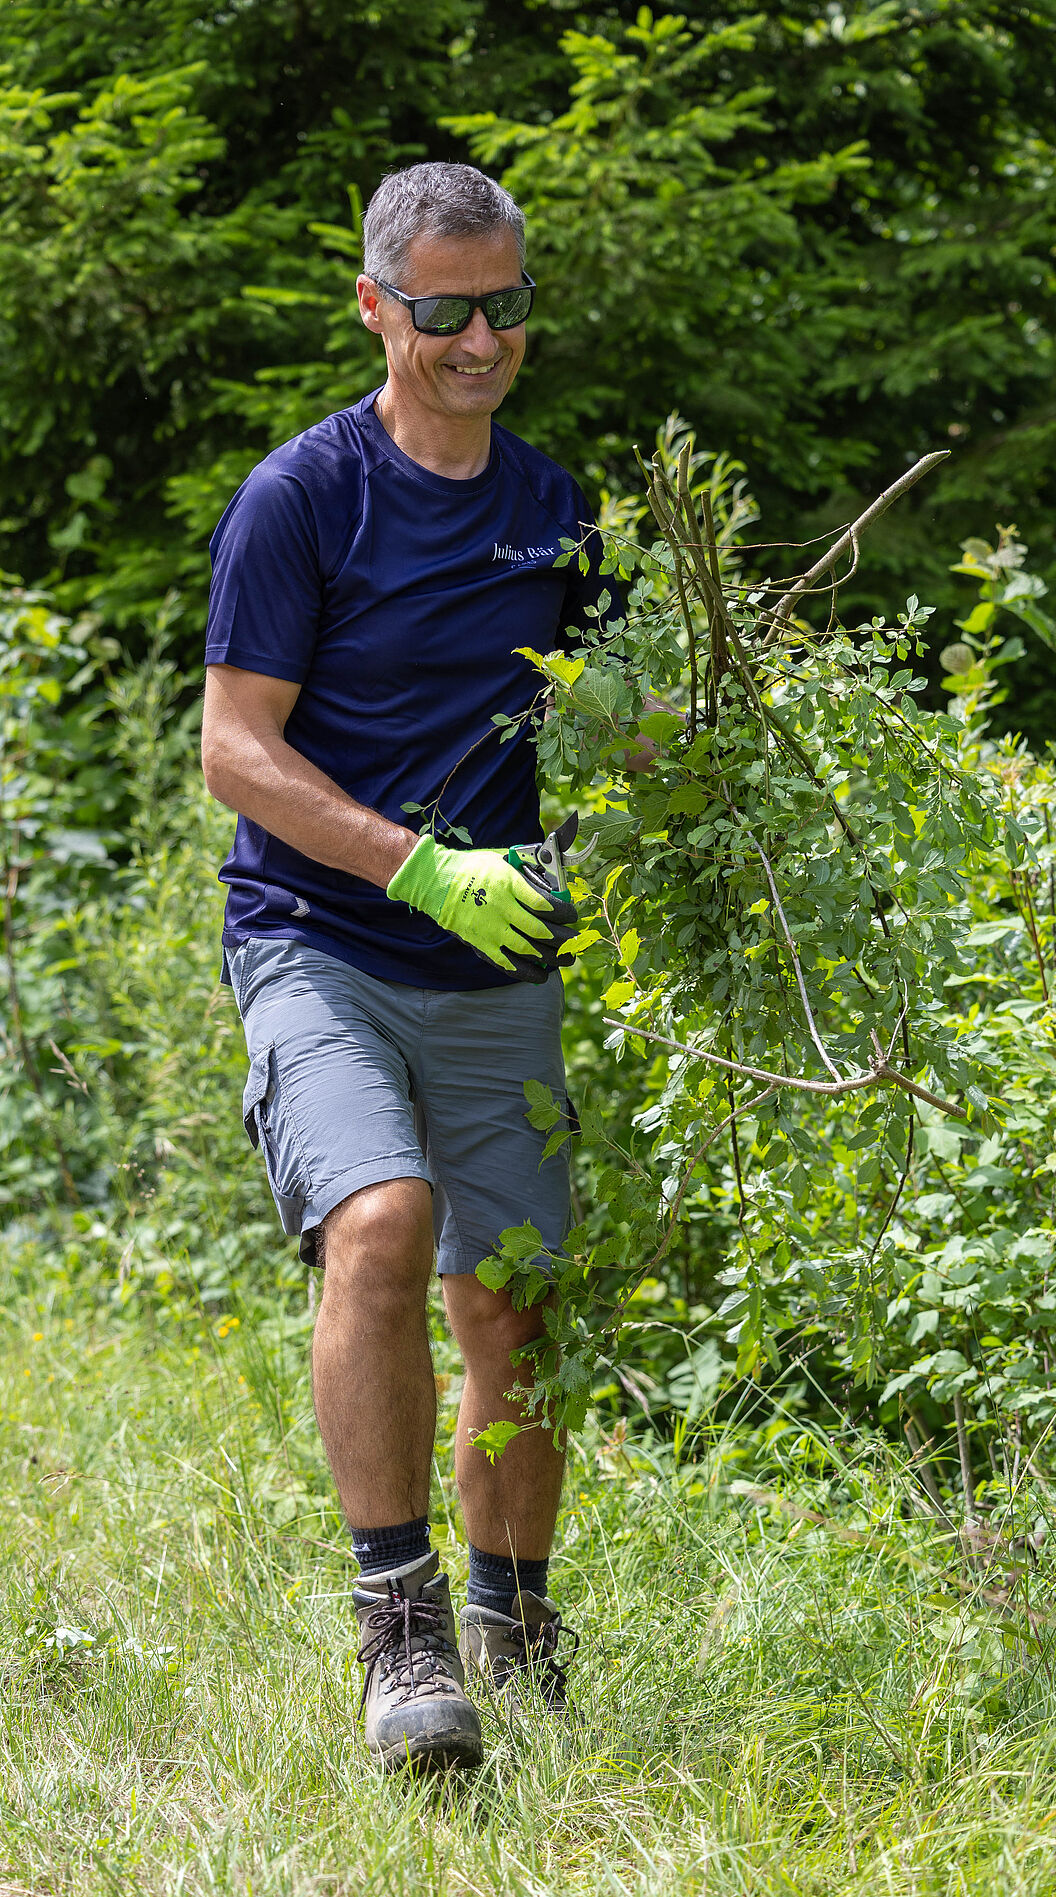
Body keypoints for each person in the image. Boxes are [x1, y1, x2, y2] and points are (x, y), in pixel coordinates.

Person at [200, 162, 632, 1772]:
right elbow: (235, 751)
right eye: (442, 309)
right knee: (380, 1222)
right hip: (321, 939)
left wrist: (635, 820)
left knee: (515, 1307)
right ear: (376, 305)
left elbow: (610, 725)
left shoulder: (558, 507)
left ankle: (519, 1626)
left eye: (503, 307)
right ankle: (402, 1631)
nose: (476, 340)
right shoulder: (301, 498)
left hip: (500, 962)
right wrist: (415, 865)